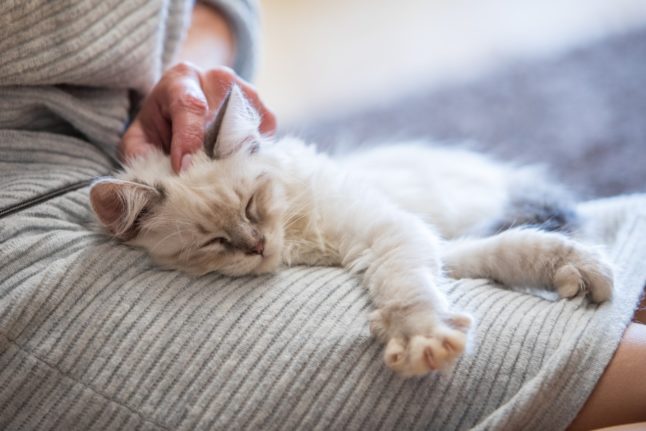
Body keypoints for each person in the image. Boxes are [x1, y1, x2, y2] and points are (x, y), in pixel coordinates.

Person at [0, 1, 644, 429]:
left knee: (408, 253)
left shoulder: (257, 164)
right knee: (415, 367)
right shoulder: (145, 216)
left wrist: (180, 71)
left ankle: (542, 257)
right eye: (218, 243)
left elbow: (217, 6)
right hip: (29, 216)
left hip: (146, 127)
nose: (255, 245)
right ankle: (539, 263)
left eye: (253, 211)